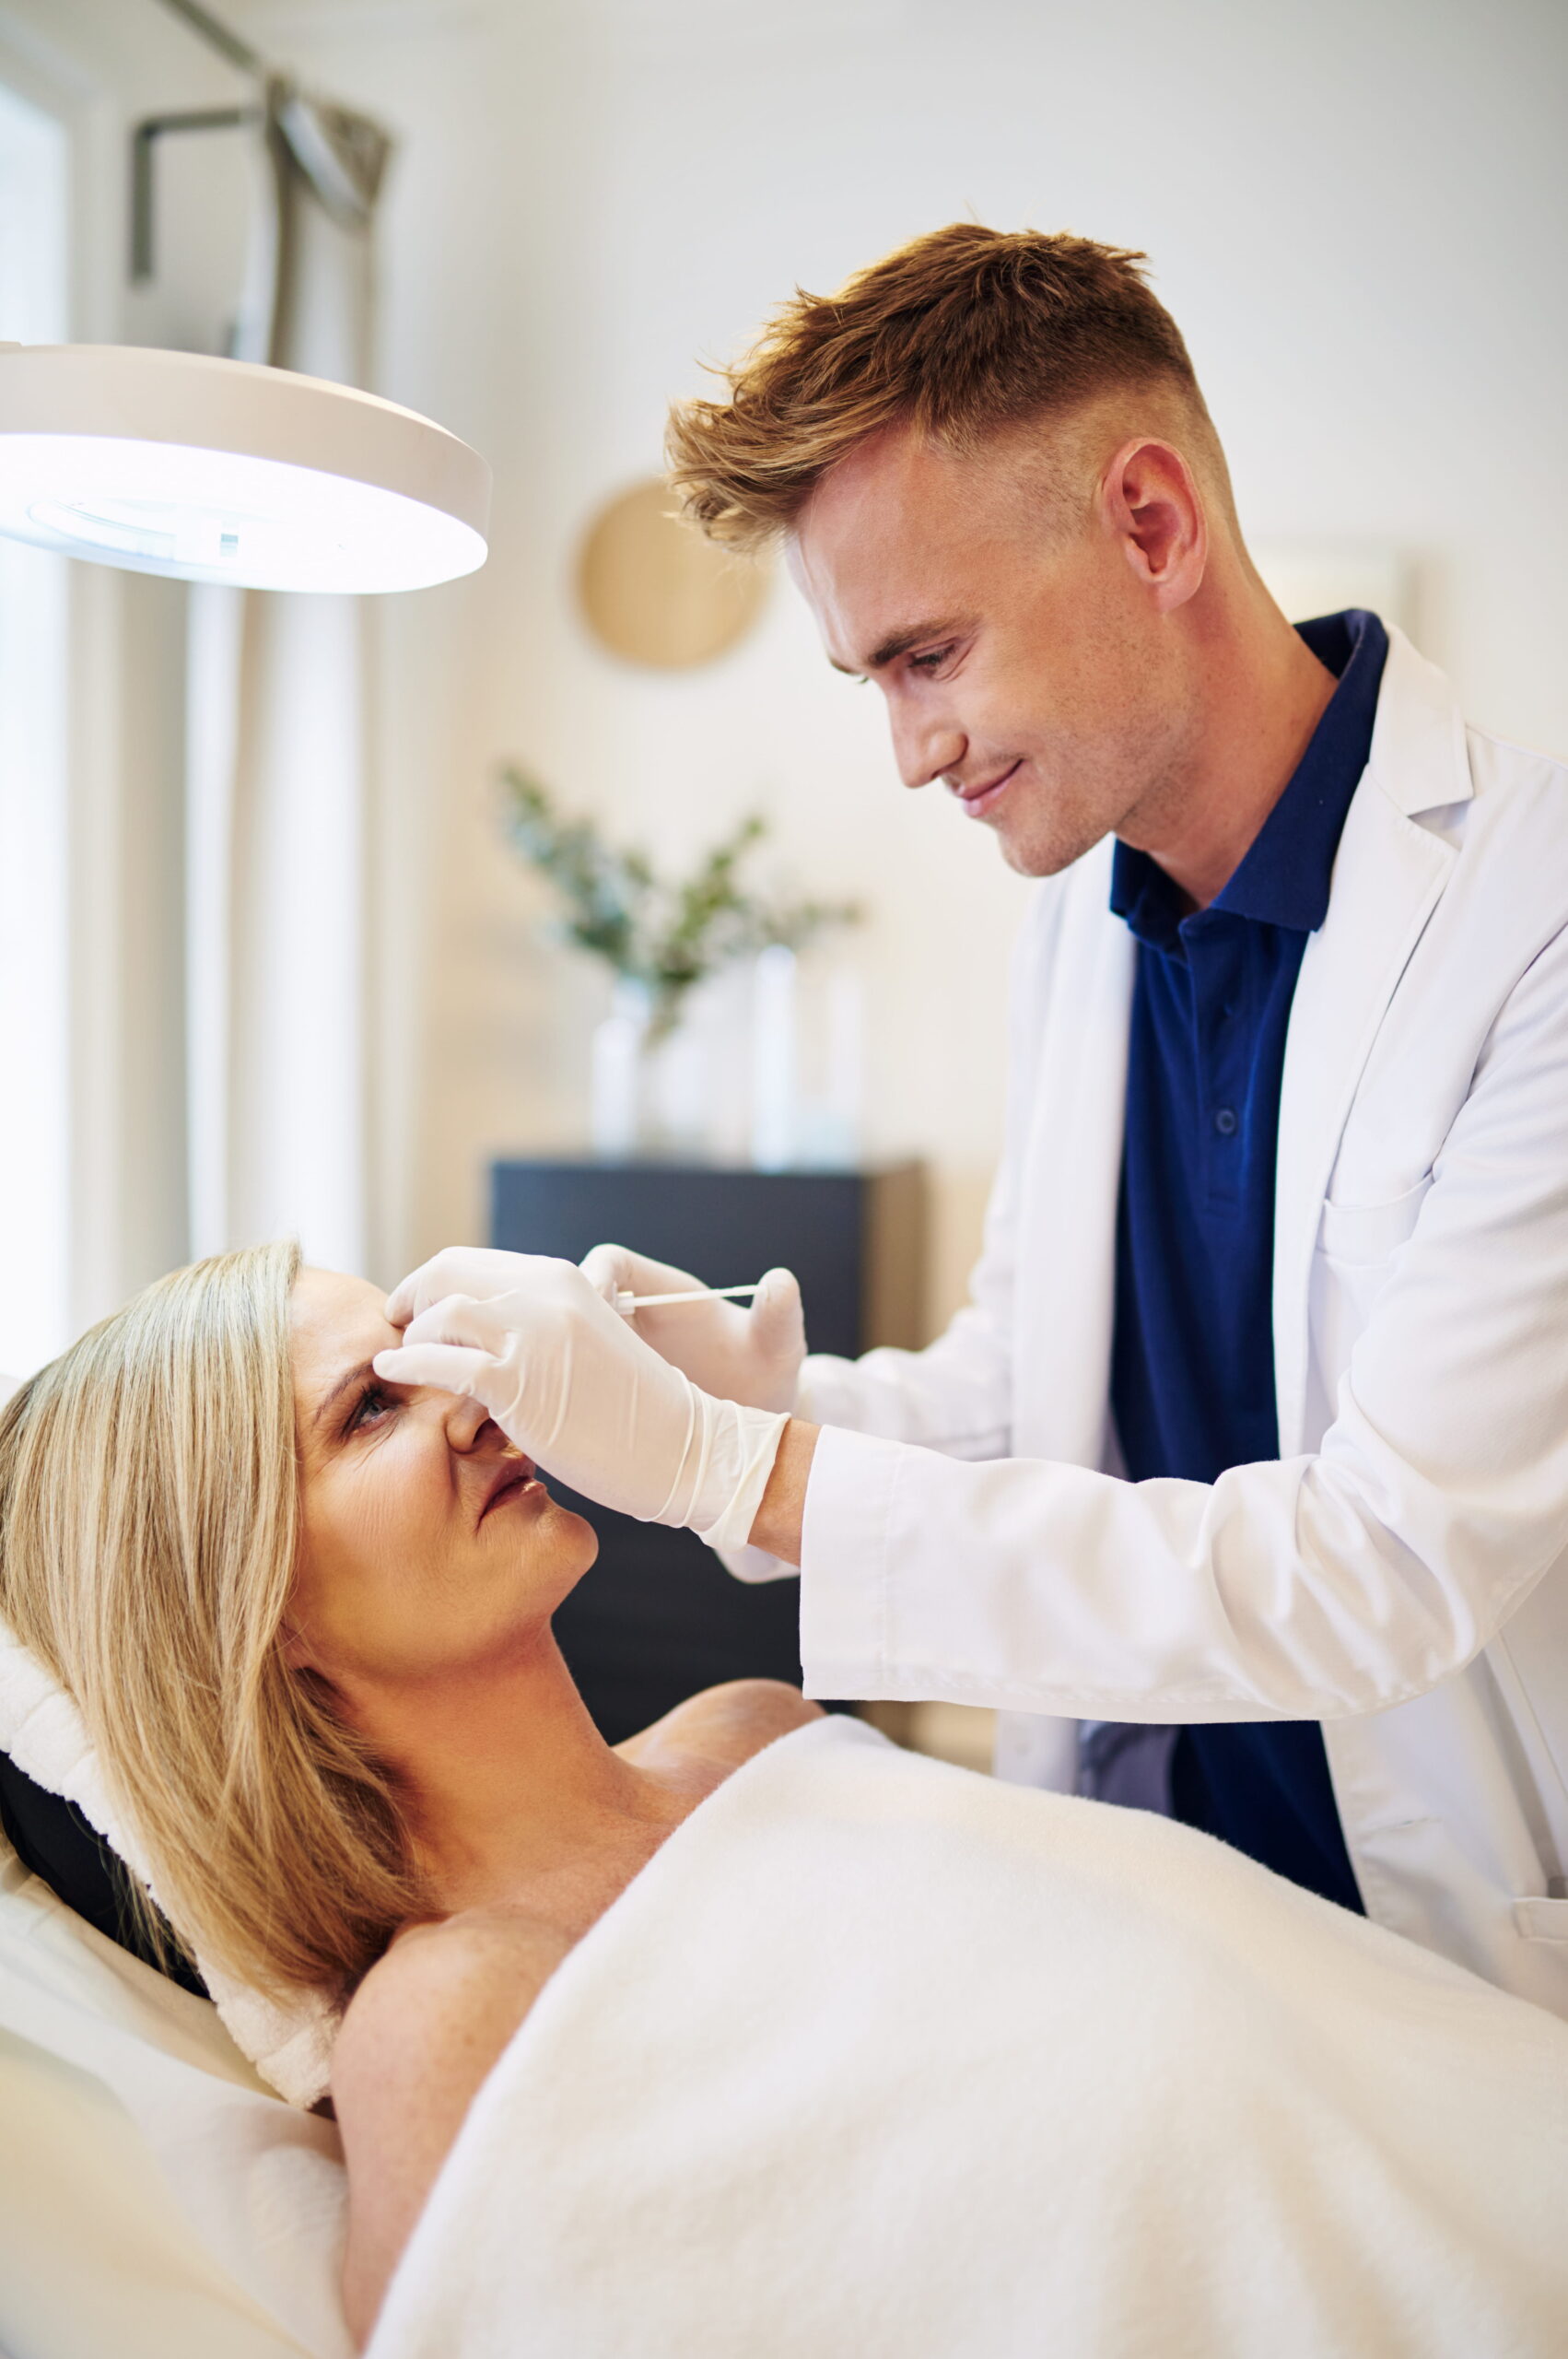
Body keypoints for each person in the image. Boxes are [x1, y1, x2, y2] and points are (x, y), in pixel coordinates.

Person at [376, 223, 1568, 2018]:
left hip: (1431, 1944)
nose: (909, 752)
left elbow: (1382, 1563)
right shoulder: (1080, 923)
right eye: (872, 679)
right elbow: (1031, 1394)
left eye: (928, 653)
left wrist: (730, 1476)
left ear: (1148, 526)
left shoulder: (1526, 916)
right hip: (1149, 1900)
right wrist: (759, 1396)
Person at [4, 1244, 1566, 2359]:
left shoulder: (755, 1733)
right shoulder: (451, 2016)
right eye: (369, 1409)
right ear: (249, 1608)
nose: (473, 1401)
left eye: (436, 1347)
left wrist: (766, 1412)